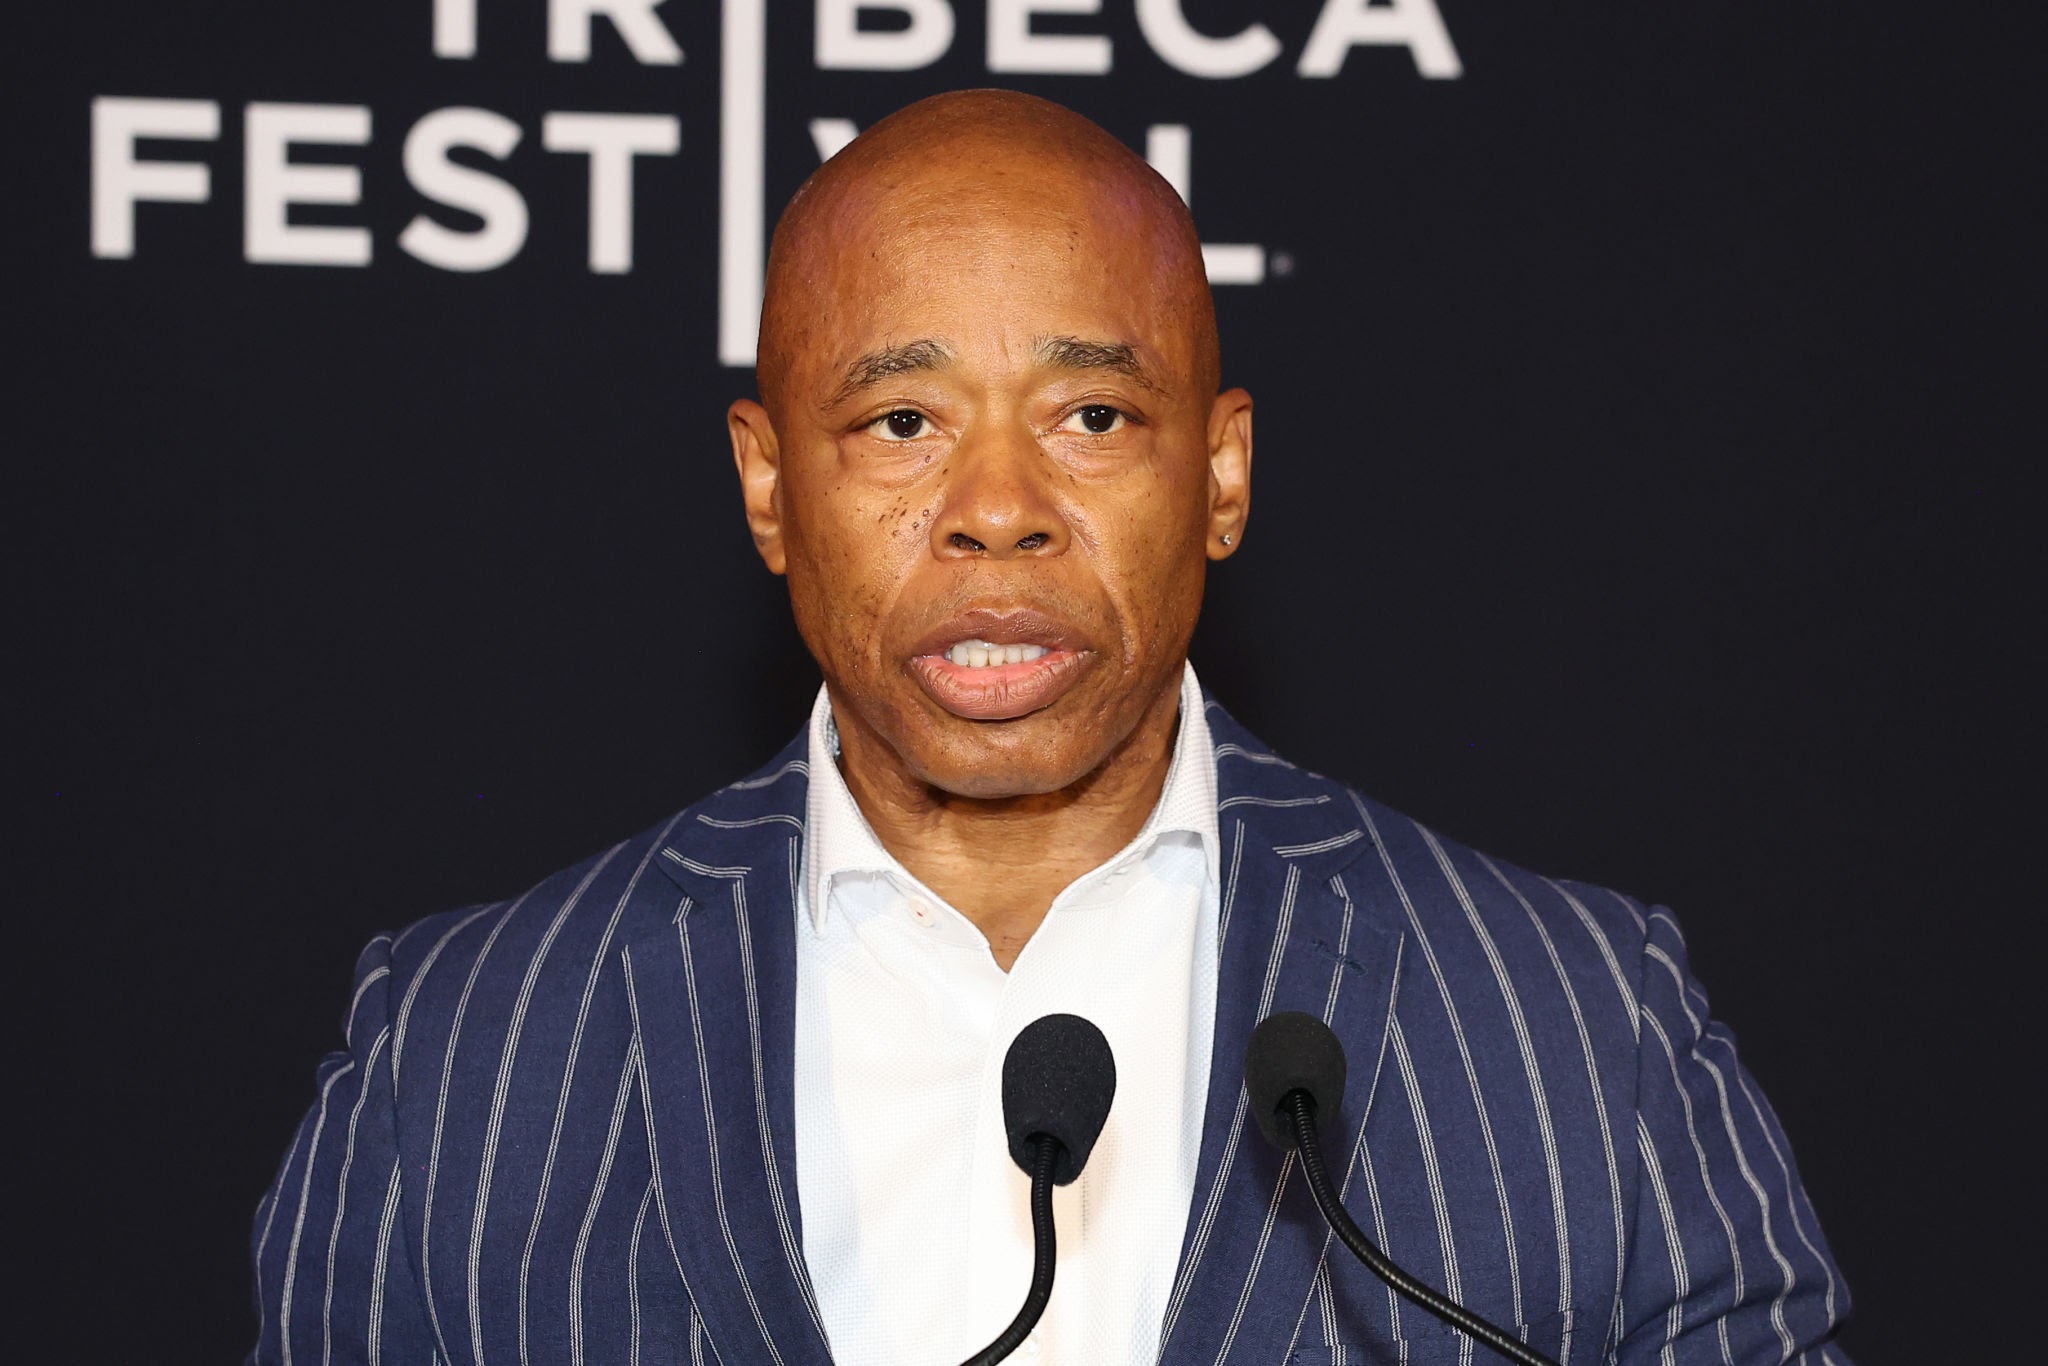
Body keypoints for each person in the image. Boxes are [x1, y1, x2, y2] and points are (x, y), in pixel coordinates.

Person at [249, 90, 1853, 1366]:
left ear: (1220, 476)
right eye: (901, 422)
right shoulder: (463, 1057)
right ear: (767, 486)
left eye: (1093, 418)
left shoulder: (1577, 1029)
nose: (999, 511)